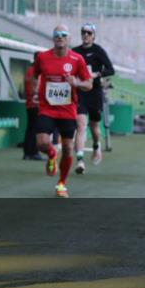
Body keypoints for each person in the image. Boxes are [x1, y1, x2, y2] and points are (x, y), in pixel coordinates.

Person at [32, 25, 94, 198]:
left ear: (69, 38)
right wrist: (35, 91)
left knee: (68, 148)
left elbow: (88, 84)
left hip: (67, 110)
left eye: (63, 34)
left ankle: (61, 184)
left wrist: (77, 83)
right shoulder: (43, 57)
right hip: (47, 108)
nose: (60, 37)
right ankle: (52, 153)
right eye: (57, 35)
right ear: (53, 38)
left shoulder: (77, 59)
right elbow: (34, 75)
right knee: (42, 143)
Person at [72, 23, 115, 171]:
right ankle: (80, 160)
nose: (86, 35)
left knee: (94, 126)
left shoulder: (98, 51)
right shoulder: (75, 52)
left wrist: (96, 74)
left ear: (94, 36)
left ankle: (97, 145)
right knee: (81, 125)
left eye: (89, 33)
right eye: (83, 32)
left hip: (95, 92)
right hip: (80, 92)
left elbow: (111, 70)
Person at [22, 51, 43, 161]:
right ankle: (33, 152)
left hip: (30, 104)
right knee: (35, 129)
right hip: (35, 105)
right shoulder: (35, 72)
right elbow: (35, 89)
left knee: (30, 128)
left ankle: (27, 153)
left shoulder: (29, 70)